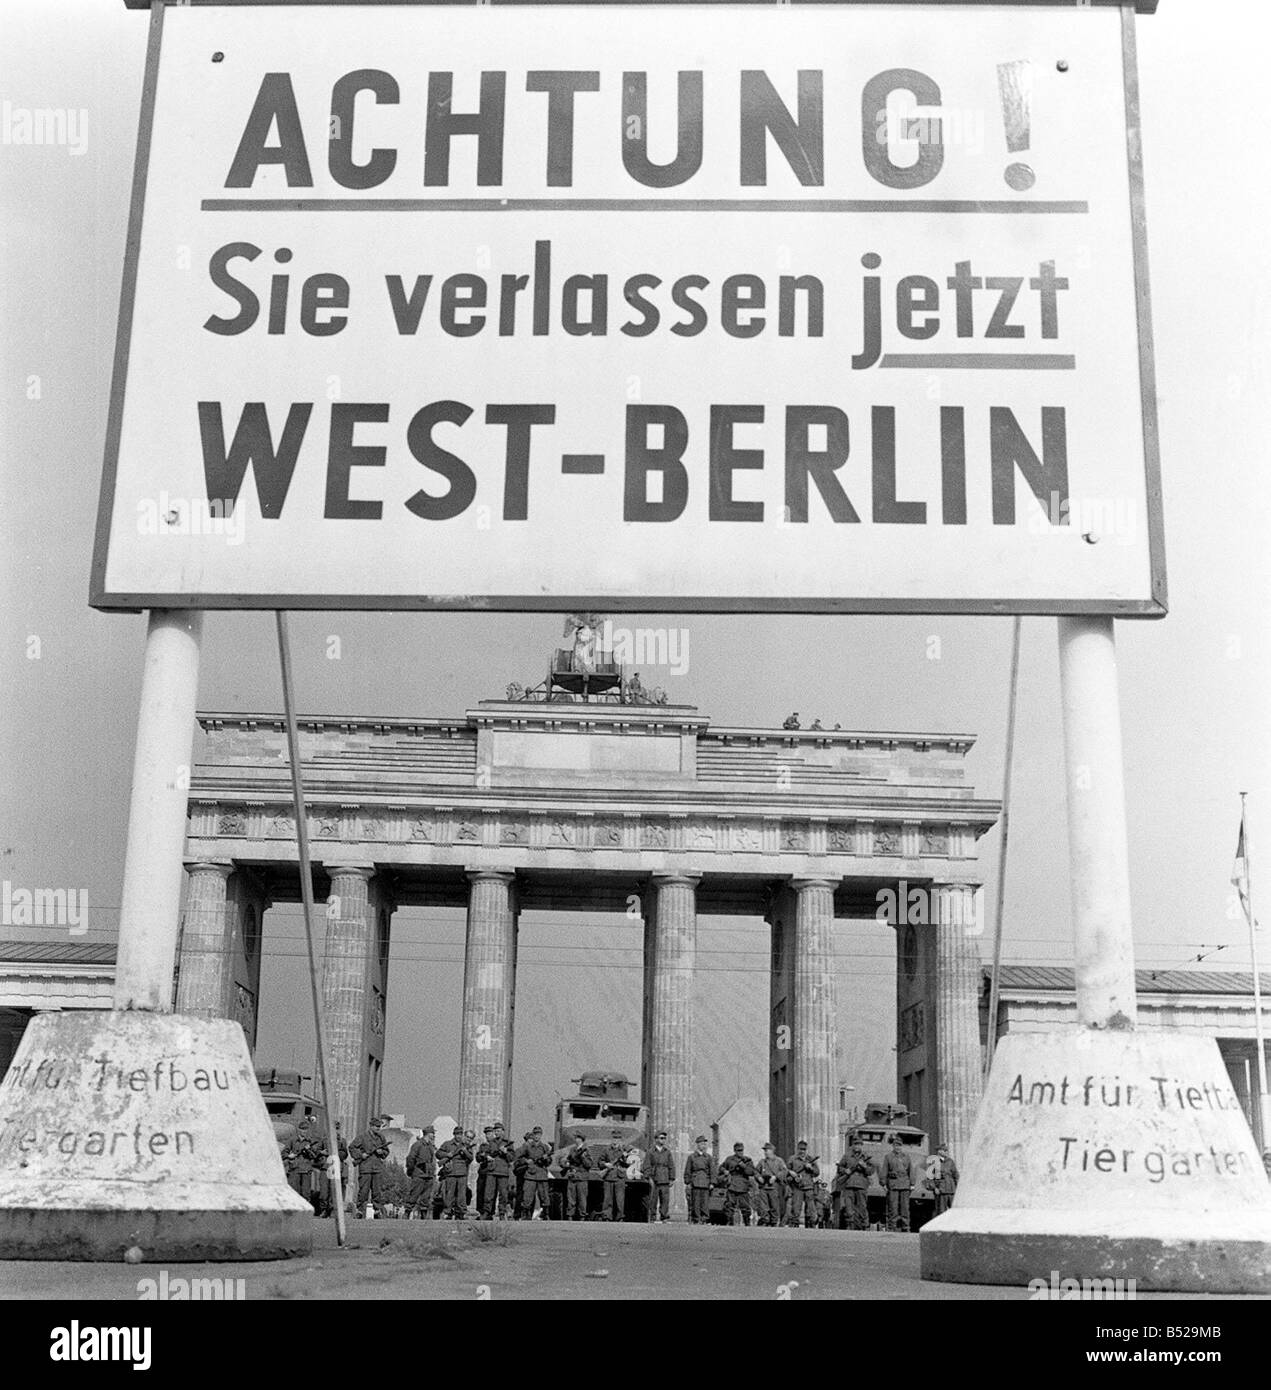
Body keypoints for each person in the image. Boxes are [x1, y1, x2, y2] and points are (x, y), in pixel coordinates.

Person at [282, 1116, 327, 1215]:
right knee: (294, 1192)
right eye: (302, 1129)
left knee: (306, 1193)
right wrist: (290, 1156)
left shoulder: (311, 1141)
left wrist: (308, 1150)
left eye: (306, 1129)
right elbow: (283, 1153)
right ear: (299, 1130)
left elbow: (315, 1156)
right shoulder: (292, 1140)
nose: (304, 1131)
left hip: (306, 1170)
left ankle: (305, 1214)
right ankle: (293, 1213)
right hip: (294, 1169)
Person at [349, 1114, 390, 1218]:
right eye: (376, 1126)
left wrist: (382, 1152)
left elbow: (386, 1151)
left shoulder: (381, 1138)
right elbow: (352, 1147)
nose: (378, 1128)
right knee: (363, 1191)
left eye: (379, 1126)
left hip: (377, 1168)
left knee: (377, 1191)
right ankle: (360, 1211)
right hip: (365, 1167)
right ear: (371, 1126)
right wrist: (360, 1155)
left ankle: (377, 1211)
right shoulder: (362, 1137)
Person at [438, 1124, 473, 1220]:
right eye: (457, 1134)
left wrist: (465, 1151)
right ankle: (447, 1212)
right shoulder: (447, 1144)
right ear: (454, 1134)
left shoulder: (466, 1145)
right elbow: (438, 1153)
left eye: (460, 1134)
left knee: (462, 1195)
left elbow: (471, 1158)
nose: (459, 1136)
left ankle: (461, 1213)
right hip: (451, 1172)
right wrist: (447, 1154)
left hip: (462, 1172)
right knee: (450, 1194)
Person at [518, 1126, 555, 1220]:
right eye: (535, 1134)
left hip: (542, 1174)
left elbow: (549, 1162)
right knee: (527, 1196)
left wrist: (546, 1159)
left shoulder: (545, 1147)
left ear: (541, 1135)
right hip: (530, 1174)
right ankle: (526, 1214)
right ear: (533, 1135)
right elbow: (519, 1157)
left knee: (544, 1196)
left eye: (538, 1134)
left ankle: (546, 1214)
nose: (537, 1136)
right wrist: (526, 1161)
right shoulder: (527, 1146)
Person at [881, 1134, 915, 1232]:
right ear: (893, 1146)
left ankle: (906, 1226)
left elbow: (911, 1170)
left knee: (905, 1208)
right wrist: (883, 1183)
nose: (898, 1147)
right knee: (893, 1207)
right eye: (896, 1145)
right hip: (893, 1184)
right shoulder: (888, 1157)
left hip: (905, 1184)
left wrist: (912, 1184)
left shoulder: (906, 1157)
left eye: (899, 1145)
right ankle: (892, 1226)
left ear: (902, 1146)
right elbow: (884, 1170)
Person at [481, 1122, 514, 1219]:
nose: (497, 1132)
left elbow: (511, 1158)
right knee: (489, 1194)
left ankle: (502, 1213)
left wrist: (505, 1153)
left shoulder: (508, 1143)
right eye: (495, 1131)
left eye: (499, 1131)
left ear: (503, 1132)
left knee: (503, 1194)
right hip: (491, 1171)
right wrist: (487, 1157)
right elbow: (484, 1154)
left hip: (503, 1171)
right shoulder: (491, 1143)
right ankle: (487, 1212)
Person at [719, 1142, 756, 1228]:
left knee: (745, 1206)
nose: (740, 1152)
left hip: (743, 1185)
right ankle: (730, 1222)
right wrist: (725, 1171)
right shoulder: (729, 1159)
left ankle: (747, 1222)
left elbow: (752, 1172)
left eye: (741, 1150)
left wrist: (744, 1167)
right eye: (738, 1150)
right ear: (735, 1150)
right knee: (729, 1205)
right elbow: (721, 1167)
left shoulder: (747, 1160)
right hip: (732, 1184)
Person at [405, 1124, 437, 1219]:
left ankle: (423, 1215)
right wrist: (411, 1171)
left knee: (426, 1197)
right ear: (428, 1134)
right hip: (419, 1174)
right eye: (432, 1133)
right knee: (414, 1195)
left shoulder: (430, 1146)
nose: (434, 1135)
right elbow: (411, 1158)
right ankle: (407, 1212)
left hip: (429, 1175)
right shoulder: (418, 1145)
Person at [683, 1135, 717, 1225]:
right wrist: (688, 1182)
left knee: (705, 1202)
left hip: (705, 1182)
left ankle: (704, 1218)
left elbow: (713, 1171)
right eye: (702, 1144)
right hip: (695, 1181)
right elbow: (688, 1170)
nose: (704, 1146)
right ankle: (696, 1218)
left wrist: (712, 1183)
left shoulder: (709, 1157)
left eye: (705, 1144)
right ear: (697, 1145)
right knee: (696, 1202)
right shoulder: (692, 1157)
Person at [643, 1130, 676, 1222]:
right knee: (653, 1200)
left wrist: (672, 1178)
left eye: (664, 1138)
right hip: (655, 1178)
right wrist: (648, 1177)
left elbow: (671, 1165)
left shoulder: (667, 1152)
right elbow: (646, 1165)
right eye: (661, 1138)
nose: (663, 1140)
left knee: (665, 1200)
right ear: (656, 1139)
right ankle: (652, 1217)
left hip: (665, 1178)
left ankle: (664, 1217)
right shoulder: (650, 1152)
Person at [785, 1140, 819, 1228]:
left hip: (808, 1187)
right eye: (800, 1149)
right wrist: (791, 1173)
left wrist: (810, 1168)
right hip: (797, 1187)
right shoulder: (792, 1159)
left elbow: (817, 1172)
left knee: (811, 1209)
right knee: (796, 1209)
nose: (802, 1151)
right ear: (797, 1149)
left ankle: (811, 1226)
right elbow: (785, 1172)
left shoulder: (810, 1159)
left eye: (804, 1149)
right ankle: (794, 1227)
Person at [840, 1139, 872, 1231]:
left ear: (862, 1146)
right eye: (855, 1144)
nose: (857, 1146)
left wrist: (864, 1166)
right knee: (848, 1206)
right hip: (849, 1183)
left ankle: (865, 1225)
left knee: (862, 1206)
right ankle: (850, 1224)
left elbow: (870, 1171)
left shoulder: (866, 1157)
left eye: (859, 1144)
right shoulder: (847, 1156)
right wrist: (845, 1170)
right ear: (852, 1146)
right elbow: (840, 1168)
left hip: (861, 1184)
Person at [563, 1131, 596, 1220]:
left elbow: (589, 1164)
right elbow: (567, 1160)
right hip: (572, 1176)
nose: (577, 1140)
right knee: (571, 1198)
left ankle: (582, 1215)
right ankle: (570, 1215)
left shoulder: (586, 1150)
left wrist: (583, 1157)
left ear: (582, 1140)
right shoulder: (572, 1150)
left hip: (582, 1177)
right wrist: (566, 1164)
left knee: (582, 1198)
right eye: (576, 1138)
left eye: (579, 1138)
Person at [599, 1130, 630, 1222]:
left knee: (620, 1199)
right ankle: (607, 1216)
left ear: (620, 1140)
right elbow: (599, 1162)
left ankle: (620, 1217)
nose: (615, 1140)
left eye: (617, 1138)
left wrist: (624, 1157)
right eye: (614, 1138)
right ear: (611, 1139)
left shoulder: (623, 1151)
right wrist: (606, 1165)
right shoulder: (606, 1150)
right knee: (607, 1199)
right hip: (608, 1176)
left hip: (619, 1176)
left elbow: (626, 1165)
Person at [754, 1143, 788, 1227]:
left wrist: (776, 1177)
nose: (765, 1152)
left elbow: (784, 1171)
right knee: (763, 1206)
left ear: (772, 1151)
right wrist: (759, 1178)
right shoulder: (762, 1162)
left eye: (766, 1150)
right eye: (764, 1151)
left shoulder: (779, 1161)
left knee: (774, 1205)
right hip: (763, 1187)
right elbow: (756, 1171)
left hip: (774, 1187)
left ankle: (774, 1221)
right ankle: (765, 1220)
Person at [930, 1142, 959, 1216]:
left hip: (951, 1189)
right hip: (941, 1190)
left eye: (946, 1150)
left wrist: (958, 1188)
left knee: (954, 1211)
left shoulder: (950, 1161)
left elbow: (956, 1175)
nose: (946, 1152)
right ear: (939, 1151)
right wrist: (934, 1188)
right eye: (944, 1150)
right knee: (941, 1212)